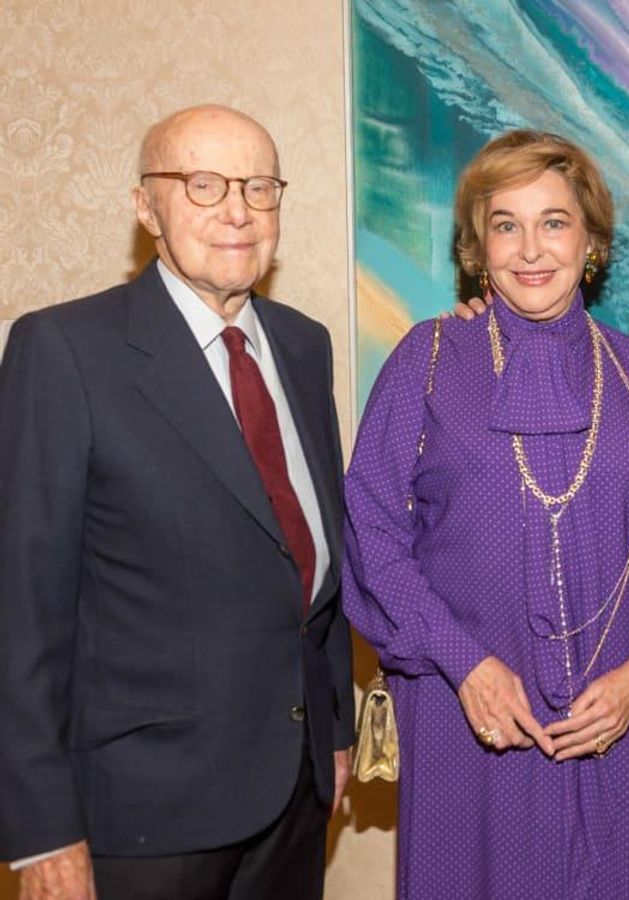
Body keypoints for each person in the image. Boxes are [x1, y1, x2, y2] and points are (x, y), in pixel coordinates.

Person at [342, 129, 629, 900]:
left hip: (602, 721)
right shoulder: (428, 359)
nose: (529, 249)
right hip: (459, 708)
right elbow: (372, 531)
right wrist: (465, 663)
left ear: (591, 241)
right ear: (477, 248)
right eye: (504, 225)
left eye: (554, 221)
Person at [0, 105, 354, 900]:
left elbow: (313, 556)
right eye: (202, 184)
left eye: (258, 187)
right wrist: (39, 827)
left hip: (293, 800)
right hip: (139, 815)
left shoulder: (302, 344)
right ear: (145, 207)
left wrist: (335, 729)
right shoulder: (64, 351)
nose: (237, 209)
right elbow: (20, 608)